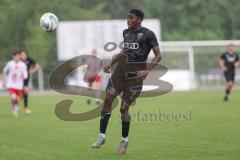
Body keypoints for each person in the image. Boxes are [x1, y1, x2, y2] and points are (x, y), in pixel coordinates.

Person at [91, 9, 161, 154]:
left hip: (135, 76)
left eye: (131, 18)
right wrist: (110, 64)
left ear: (139, 20)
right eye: (127, 18)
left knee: (123, 108)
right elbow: (124, 52)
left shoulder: (148, 34)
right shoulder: (126, 32)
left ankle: (124, 140)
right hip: (120, 71)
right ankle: (101, 136)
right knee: (108, 97)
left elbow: (158, 55)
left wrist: (147, 70)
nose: (128, 20)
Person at [2, 52, 28, 117]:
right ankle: (14, 110)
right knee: (13, 97)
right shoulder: (9, 64)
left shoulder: (23, 65)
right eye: (16, 56)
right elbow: (4, 71)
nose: (18, 57)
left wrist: (22, 77)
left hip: (19, 85)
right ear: (13, 57)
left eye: (19, 56)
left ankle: (15, 107)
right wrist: (4, 81)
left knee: (18, 100)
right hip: (11, 84)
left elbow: (25, 75)